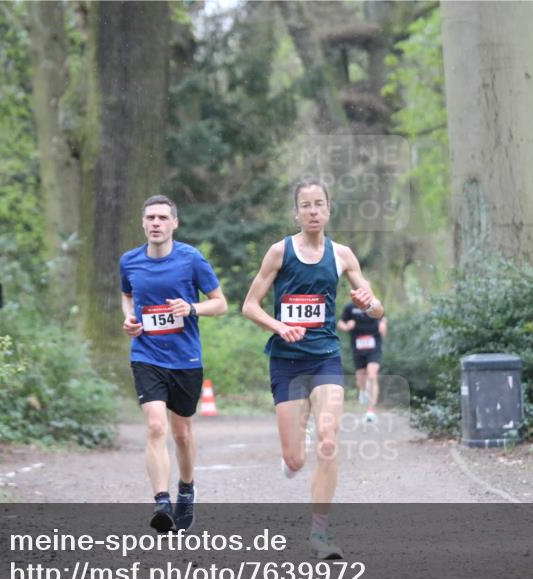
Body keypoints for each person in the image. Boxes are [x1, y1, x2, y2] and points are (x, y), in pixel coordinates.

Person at [242, 179, 385, 559]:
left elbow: (376, 308)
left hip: (325, 357)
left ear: (328, 210)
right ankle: (295, 447)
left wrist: (370, 303)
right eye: (305, 205)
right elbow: (250, 305)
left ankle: (320, 534)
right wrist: (279, 326)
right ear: (296, 212)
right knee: (294, 460)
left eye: (318, 204)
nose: (312, 211)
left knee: (328, 437)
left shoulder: (342, 255)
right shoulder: (279, 252)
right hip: (286, 362)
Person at [120, 195, 227, 533]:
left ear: (174, 223)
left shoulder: (191, 259)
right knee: (155, 426)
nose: (156, 223)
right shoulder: (129, 261)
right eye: (150, 217)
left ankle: (186, 488)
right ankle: (161, 501)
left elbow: (220, 303)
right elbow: (127, 295)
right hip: (146, 354)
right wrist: (129, 319)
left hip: (185, 358)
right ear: (142, 223)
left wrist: (191, 309)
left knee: (182, 433)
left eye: (163, 218)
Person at [338, 303, 387, 422]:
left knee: (372, 375)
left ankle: (370, 411)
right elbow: (340, 323)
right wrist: (346, 326)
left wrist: (383, 324)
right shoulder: (350, 307)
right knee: (360, 379)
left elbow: (383, 317)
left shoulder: (374, 304)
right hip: (357, 347)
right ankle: (363, 390)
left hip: (374, 346)